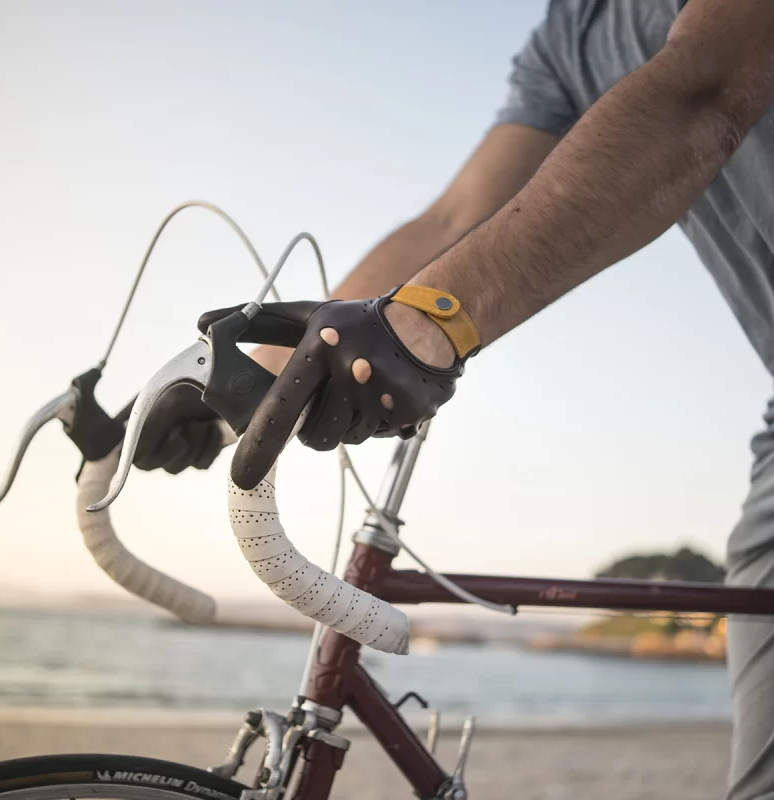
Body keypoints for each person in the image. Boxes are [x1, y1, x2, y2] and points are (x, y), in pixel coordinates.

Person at [135, 1, 774, 796]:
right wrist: (251, 378)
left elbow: (705, 91)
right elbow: (454, 216)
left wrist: (433, 321)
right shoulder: (571, 33)